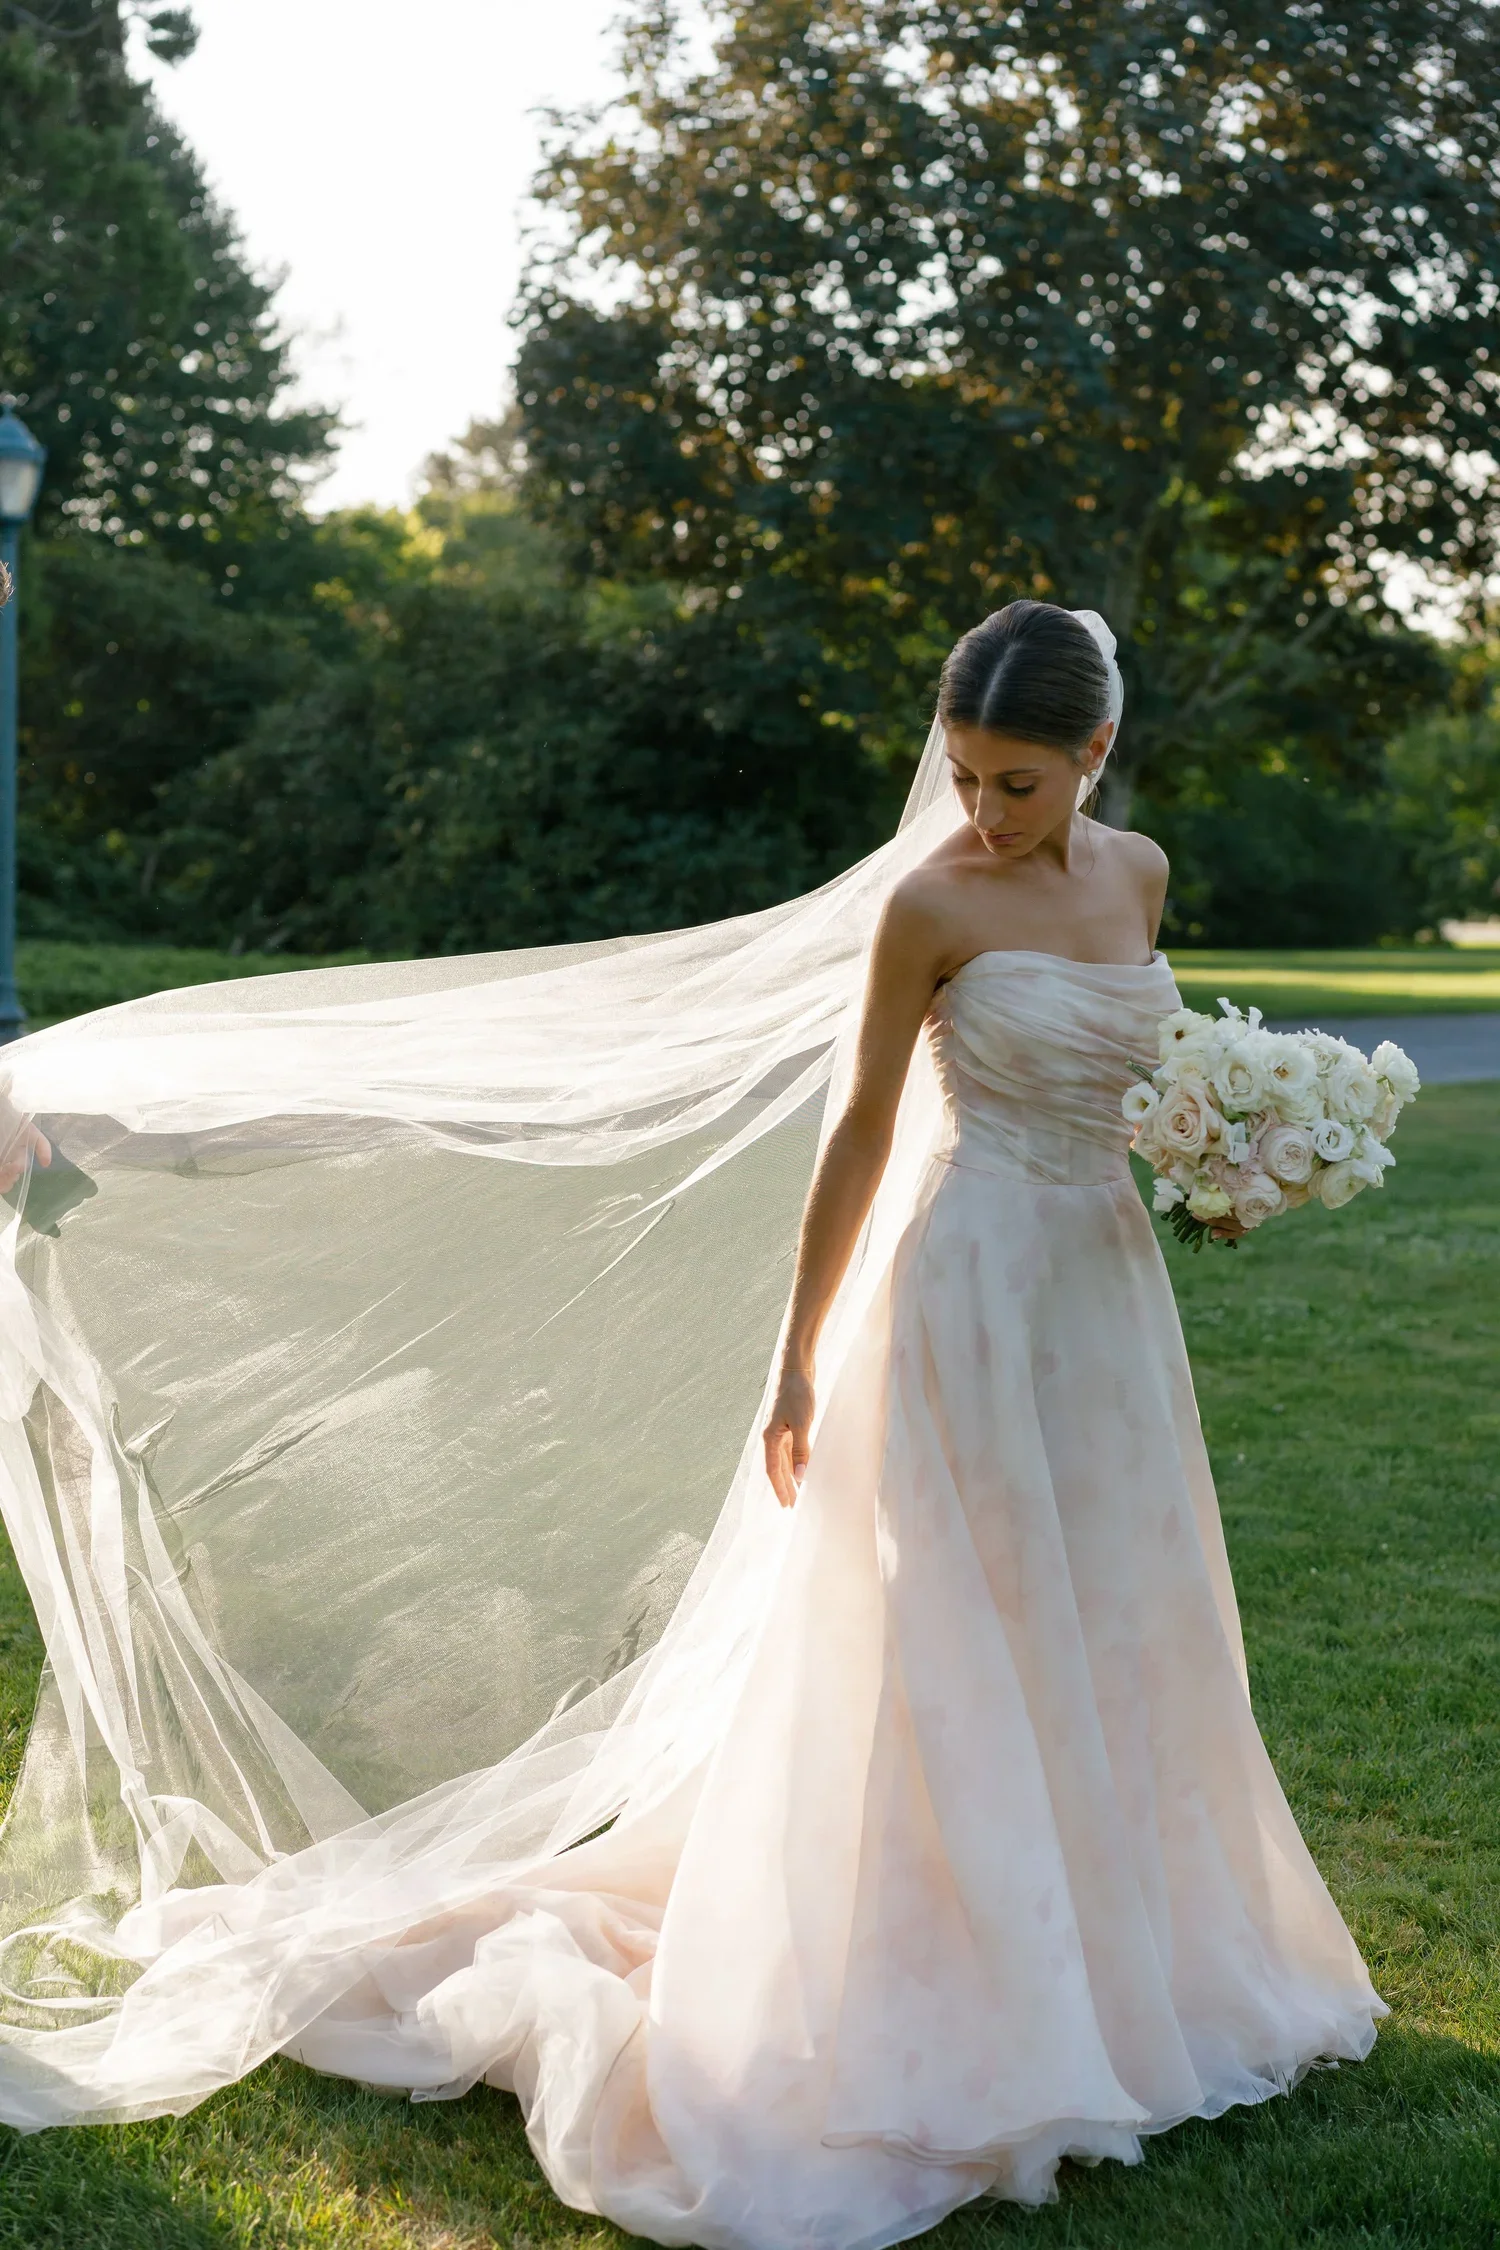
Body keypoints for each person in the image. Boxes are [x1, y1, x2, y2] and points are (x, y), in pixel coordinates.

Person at [0, 602, 1383, 2248]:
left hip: (1102, 1297)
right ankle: (950, 1971)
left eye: (1017, 782)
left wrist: (1226, 1162)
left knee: (1113, 1615)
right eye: (958, 774)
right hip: (959, 1294)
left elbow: (1137, 1074)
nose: (981, 813)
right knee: (949, 1628)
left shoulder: (1140, 875)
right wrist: (801, 1356)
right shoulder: (928, 902)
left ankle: (1125, 1961)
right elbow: (862, 1127)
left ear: (1094, 754)